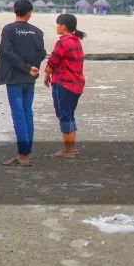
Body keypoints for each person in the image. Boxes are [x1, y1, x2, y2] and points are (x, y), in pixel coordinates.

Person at [0, 0, 46, 166]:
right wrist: (33, 67)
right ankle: (26, 153)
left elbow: (7, 52)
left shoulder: (9, 29)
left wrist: (26, 67)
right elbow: (42, 53)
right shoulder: (37, 31)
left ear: (14, 10)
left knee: (19, 114)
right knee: (27, 113)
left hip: (15, 78)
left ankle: (23, 155)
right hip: (30, 78)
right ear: (29, 13)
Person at [44, 13, 86, 158]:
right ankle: (71, 148)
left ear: (64, 26)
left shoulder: (63, 42)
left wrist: (46, 75)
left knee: (64, 115)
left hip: (64, 84)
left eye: (58, 24)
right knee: (69, 115)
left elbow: (52, 61)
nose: (57, 27)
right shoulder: (76, 41)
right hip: (76, 84)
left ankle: (68, 150)